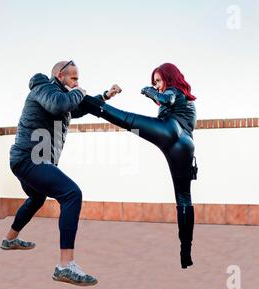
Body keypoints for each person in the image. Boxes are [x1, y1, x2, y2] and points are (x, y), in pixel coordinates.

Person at [3, 60, 120, 286]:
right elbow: (59, 104)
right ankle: (65, 266)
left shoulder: (63, 96)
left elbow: (79, 107)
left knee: (37, 197)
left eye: (78, 79)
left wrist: (105, 95)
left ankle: (9, 240)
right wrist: (78, 92)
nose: (77, 83)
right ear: (59, 75)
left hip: (29, 159)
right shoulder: (44, 89)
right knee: (71, 194)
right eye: (74, 78)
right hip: (30, 158)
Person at [79, 63, 198, 269]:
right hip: (185, 146)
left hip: (170, 130)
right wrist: (155, 92)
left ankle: (80, 98)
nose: (158, 85)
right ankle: (185, 252)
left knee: (126, 119)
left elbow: (165, 98)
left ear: (170, 78)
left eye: (159, 81)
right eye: (155, 83)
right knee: (184, 199)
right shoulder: (187, 98)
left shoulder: (174, 91)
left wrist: (149, 91)